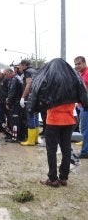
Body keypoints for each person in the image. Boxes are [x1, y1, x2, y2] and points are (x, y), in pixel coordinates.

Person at [27, 58, 88, 187]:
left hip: (53, 121)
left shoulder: (49, 80)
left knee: (51, 150)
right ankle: (63, 178)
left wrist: (31, 109)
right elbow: (84, 95)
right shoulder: (73, 79)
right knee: (66, 149)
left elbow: (36, 92)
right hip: (69, 121)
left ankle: (53, 179)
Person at [19, 59, 39, 146]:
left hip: (29, 98)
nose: (19, 67)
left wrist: (23, 97)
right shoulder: (35, 71)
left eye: (20, 65)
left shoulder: (27, 72)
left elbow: (28, 84)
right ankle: (35, 139)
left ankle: (30, 141)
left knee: (30, 117)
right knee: (35, 118)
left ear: (24, 65)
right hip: (36, 97)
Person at [5, 66, 25, 142]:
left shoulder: (14, 79)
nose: (6, 76)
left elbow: (12, 93)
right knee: (18, 120)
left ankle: (15, 138)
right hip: (19, 103)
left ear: (10, 73)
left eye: (6, 74)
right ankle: (20, 136)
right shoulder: (18, 78)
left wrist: (8, 103)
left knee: (15, 121)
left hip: (15, 103)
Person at [74, 56, 88, 158]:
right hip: (81, 105)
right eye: (75, 64)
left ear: (84, 63)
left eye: (79, 64)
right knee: (83, 129)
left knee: (85, 129)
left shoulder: (87, 74)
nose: (77, 66)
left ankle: (85, 152)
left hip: (86, 106)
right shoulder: (81, 74)